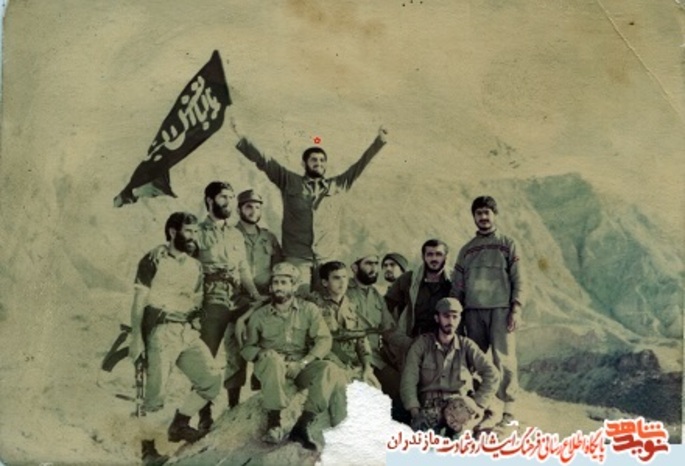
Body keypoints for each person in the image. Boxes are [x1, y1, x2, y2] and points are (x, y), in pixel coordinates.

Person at [230, 118, 389, 290]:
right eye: (314, 160)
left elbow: (360, 165)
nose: (318, 163)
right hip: (297, 258)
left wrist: (379, 141)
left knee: (327, 300)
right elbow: (265, 161)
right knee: (298, 298)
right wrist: (242, 136)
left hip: (327, 259)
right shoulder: (289, 181)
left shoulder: (337, 185)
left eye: (322, 160)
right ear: (304, 163)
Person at [128, 212, 222, 465]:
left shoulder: (195, 266)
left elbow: (197, 301)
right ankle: (148, 452)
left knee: (211, 379)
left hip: (186, 331)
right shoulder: (154, 258)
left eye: (196, 232)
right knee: (155, 394)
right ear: (172, 232)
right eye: (188, 231)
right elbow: (139, 301)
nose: (193, 237)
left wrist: (195, 320)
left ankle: (179, 424)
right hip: (161, 331)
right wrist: (136, 338)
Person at [240, 262, 347, 450]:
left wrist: (303, 362)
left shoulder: (309, 310)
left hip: (299, 366)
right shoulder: (260, 316)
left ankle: (302, 426)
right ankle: (274, 422)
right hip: (271, 368)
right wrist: (262, 353)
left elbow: (324, 340)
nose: (278, 287)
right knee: (273, 360)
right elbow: (247, 349)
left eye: (284, 282)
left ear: (294, 286)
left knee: (329, 369)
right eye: (275, 283)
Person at [450, 195, 524, 428]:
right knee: (473, 360)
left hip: (501, 310)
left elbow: (519, 278)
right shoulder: (466, 250)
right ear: (474, 217)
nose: (483, 217)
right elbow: (458, 285)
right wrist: (456, 313)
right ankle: (482, 408)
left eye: (487, 212)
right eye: (478, 213)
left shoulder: (508, 244)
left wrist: (516, 308)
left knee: (504, 359)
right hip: (473, 312)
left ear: (495, 215)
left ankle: (509, 411)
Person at [196, 182, 260, 424]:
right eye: (224, 197)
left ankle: (234, 406)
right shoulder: (197, 232)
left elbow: (243, 268)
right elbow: (190, 269)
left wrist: (255, 295)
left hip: (237, 295)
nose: (229, 202)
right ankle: (204, 414)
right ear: (210, 200)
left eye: (232, 197)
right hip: (211, 296)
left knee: (239, 348)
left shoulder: (235, 234)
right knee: (207, 356)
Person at [401, 298, 499, 437]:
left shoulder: (467, 346)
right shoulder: (422, 345)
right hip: (431, 408)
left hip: (459, 407)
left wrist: (477, 404)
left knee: (462, 441)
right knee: (423, 442)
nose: (451, 321)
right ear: (437, 318)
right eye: (446, 316)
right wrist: (415, 412)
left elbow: (492, 374)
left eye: (455, 317)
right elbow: (408, 380)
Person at [345, 253, 404, 421]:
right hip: (350, 358)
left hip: (375, 358)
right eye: (368, 263)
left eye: (376, 264)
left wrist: (412, 344)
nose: (374, 268)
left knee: (399, 386)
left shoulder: (376, 294)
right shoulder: (344, 290)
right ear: (354, 268)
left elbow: (389, 329)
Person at [311, 260, 380, 388]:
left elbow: (361, 338)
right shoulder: (314, 305)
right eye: (336, 278)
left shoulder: (351, 305)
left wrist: (367, 367)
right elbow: (316, 342)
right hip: (328, 363)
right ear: (325, 282)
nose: (342, 282)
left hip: (353, 364)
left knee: (374, 388)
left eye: (344, 277)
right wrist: (344, 369)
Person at [384, 239, 453, 365]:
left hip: (444, 342)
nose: (434, 259)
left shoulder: (454, 281)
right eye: (430, 254)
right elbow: (385, 306)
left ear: (446, 257)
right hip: (413, 341)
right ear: (423, 257)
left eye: (438, 254)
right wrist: (395, 335)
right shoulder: (408, 279)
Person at [235, 189, 283, 295]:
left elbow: (278, 267)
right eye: (249, 207)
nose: (254, 211)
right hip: (238, 294)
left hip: (266, 294)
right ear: (238, 210)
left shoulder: (269, 237)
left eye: (257, 207)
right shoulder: (230, 235)